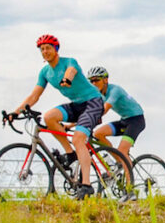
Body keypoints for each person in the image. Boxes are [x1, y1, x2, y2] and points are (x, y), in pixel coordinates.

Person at [12, 34, 103, 199]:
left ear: (56, 49)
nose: (45, 51)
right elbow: (34, 97)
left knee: (78, 139)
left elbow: (71, 71)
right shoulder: (45, 72)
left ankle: (87, 185)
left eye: (48, 48)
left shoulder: (69, 62)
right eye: (42, 49)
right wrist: (15, 112)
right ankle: (70, 154)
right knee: (49, 117)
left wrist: (67, 79)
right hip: (77, 105)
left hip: (93, 102)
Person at [85, 66, 144, 185]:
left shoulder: (115, 91)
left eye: (96, 80)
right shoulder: (100, 95)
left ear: (105, 80)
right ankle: (119, 163)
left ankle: (129, 186)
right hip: (124, 120)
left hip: (136, 120)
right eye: (91, 81)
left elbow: (104, 110)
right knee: (98, 133)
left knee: (122, 150)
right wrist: (72, 124)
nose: (93, 83)